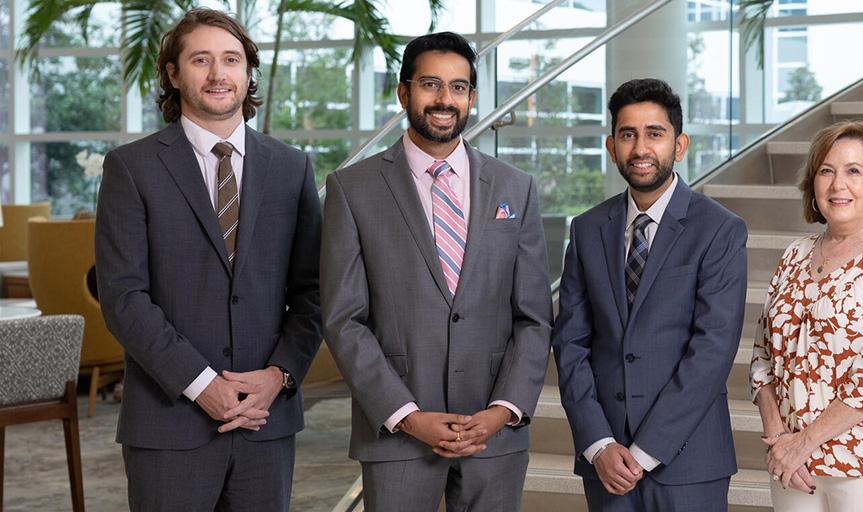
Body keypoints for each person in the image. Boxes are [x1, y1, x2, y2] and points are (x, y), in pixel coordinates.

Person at [95, 8, 322, 511]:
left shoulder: (291, 168)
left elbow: (315, 291)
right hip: (169, 422)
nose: (218, 74)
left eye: (231, 60)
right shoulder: (130, 169)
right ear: (173, 74)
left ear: (248, 73)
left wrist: (279, 375)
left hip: (266, 423)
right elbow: (123, 298)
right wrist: (201, 386)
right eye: (201, 59)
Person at [320, 31, 552, 511]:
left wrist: (503, 409)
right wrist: (406, 415)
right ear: (404, 92)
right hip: (397, 433)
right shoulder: (351, 189)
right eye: (431, 84)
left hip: (494, 434)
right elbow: (344, 319)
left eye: (459, 87)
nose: (446, 99)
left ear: (471, 97)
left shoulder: (516, 188)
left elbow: (534, 315)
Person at [551, 78, 748, 512]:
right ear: (611, 145)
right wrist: (599, 444)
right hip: (605, 461)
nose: (640, 148)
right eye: (628, 134)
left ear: (680, 145)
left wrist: (643, 452)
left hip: (688, 461)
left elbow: (712, 351)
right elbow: (570, 344)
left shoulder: (719, 229)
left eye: (654, 134)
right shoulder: (586, 230)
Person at [749, 120, 863, 511]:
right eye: (826, 171)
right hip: (794, 467)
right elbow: (763, 358)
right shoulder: (794, 255)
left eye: (854, 171)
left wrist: (802, 442)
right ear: (813, 185)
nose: (838, 185)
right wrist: (779, 439)